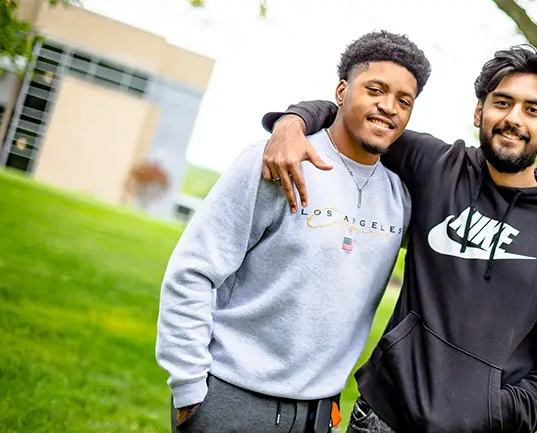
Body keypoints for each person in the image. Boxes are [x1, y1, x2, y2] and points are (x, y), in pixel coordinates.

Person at [260, 46, 537, 433]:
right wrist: (291, 123)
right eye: (502, 103)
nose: (513, 119)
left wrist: (485, 414)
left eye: (532, 109)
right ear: (479, 111)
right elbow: (356, 115)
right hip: (380, 419)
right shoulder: (436, 166)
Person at [155, 31, 433, 433]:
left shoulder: (401, 197)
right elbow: (193, 271)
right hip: (230, 399)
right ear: (342, 90)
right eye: (376, 89)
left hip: (319, 415)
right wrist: (189, 390)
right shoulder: (278, 161)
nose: (388, 107)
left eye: (403, 101)